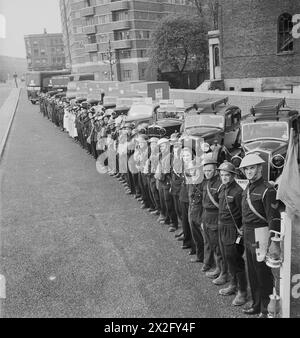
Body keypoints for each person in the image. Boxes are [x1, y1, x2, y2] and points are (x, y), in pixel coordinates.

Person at [239, 153, 281, 318]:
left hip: (261, 234)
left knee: (262, 273)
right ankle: (256, 305)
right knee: (253, 272)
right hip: (249, 234)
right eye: (246, 168)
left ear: (259, 168)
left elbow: (274, 218)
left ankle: (265, 308)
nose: (249, 171)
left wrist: (273, 242)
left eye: (252, 168)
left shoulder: (267, 189)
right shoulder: (249, 186)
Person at [217, 161, 248, 306]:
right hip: (222, 227)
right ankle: (233, 285)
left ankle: (242, 292)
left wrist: (241, 232)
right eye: (222, 175)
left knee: (236, 260)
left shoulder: (238, 192)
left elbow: (243, 214)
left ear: (233, 176)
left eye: (227, 175)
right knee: (227, 258)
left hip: (234, 229)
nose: (224, 178)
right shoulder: (222, 188)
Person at [202, 156, 227, 284]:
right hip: (207, 217)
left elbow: (221, 207)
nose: (207, 173)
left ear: (216, 171)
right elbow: (204, 202)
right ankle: (218, 268)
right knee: (212, 244)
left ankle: (224, 273)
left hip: (215, 218)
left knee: (219, 247)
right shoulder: (207, 183)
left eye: (210, 171)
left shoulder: (220, 185)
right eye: (205, 171)